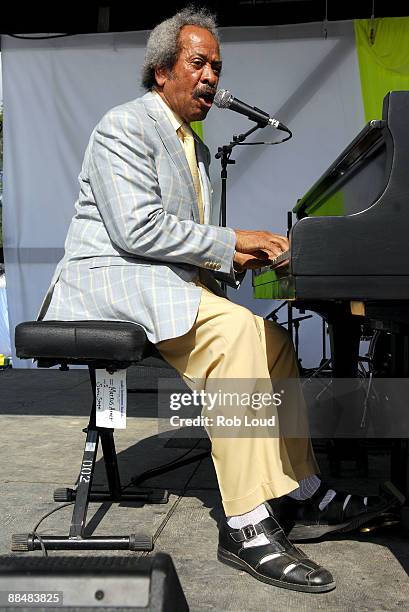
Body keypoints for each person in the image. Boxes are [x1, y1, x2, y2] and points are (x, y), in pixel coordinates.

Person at [38, 7, 397, 594]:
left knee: (273, 343)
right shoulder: (125, 126)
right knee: (233, 338)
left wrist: (251, 258)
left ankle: (297, 489)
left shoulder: (197, 152)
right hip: (110, 280)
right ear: (161, 72)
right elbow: (136, 231)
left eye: (217, 66)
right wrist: (231, 244)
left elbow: (191, 247)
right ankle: (246, 523)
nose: (211, 76)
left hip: (158, 280)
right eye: (198, 62)